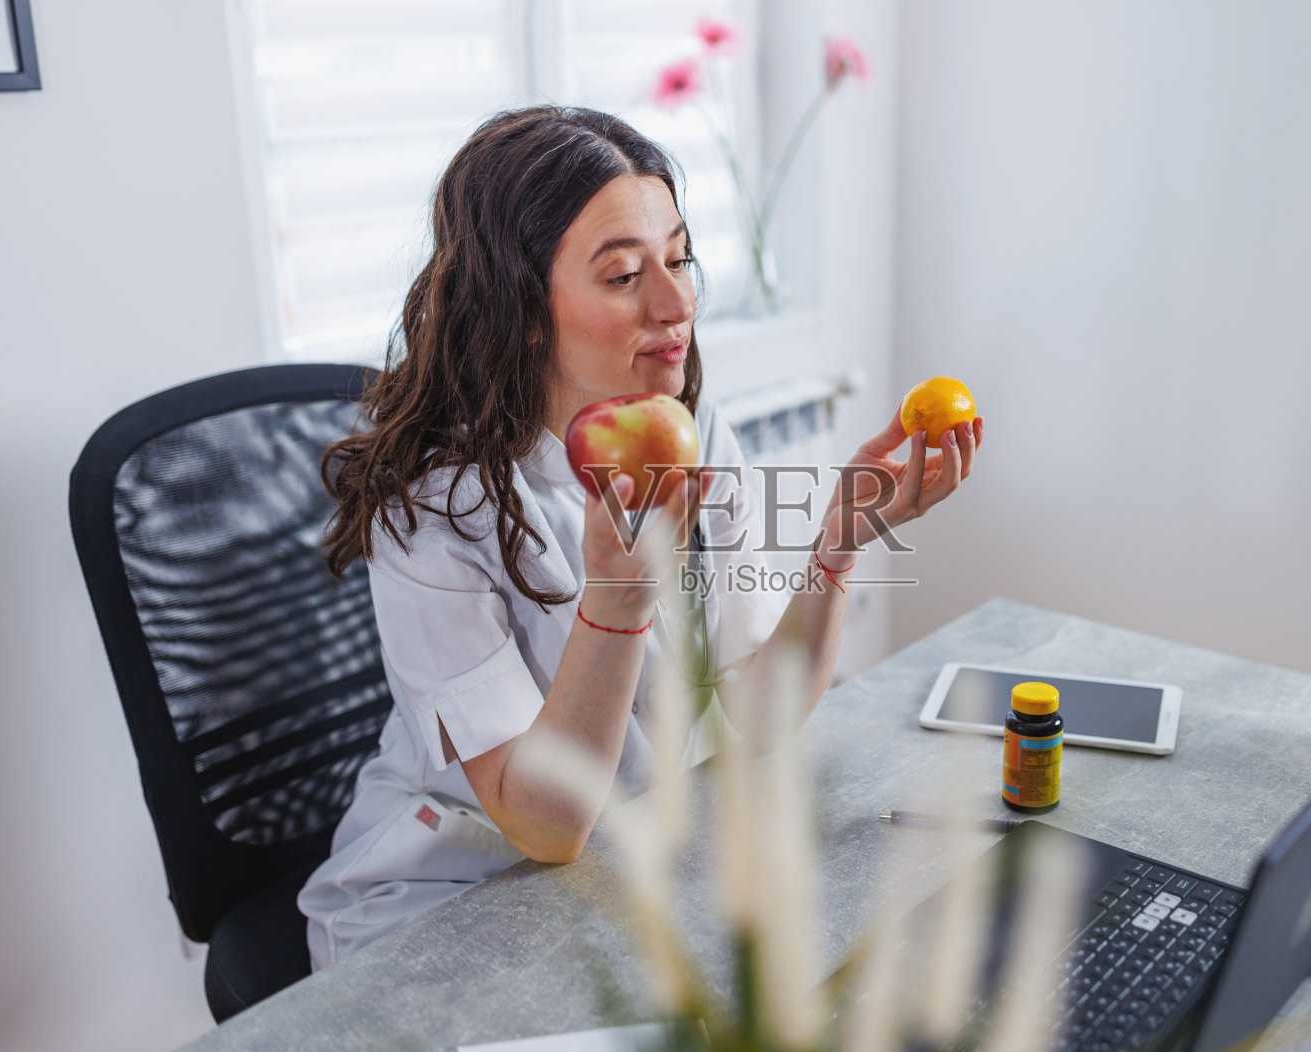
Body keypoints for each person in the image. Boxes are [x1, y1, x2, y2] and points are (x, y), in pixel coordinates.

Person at [297, 106, 983, 970]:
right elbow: (543, 823)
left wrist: (838, 543)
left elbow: (758, 713)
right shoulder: (436, 508)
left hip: (625, 868)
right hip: (455, 893)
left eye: (680, 257)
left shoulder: (690, 430)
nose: (678, 302)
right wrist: (616, 604)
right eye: (624, 275)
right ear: (526, 310)